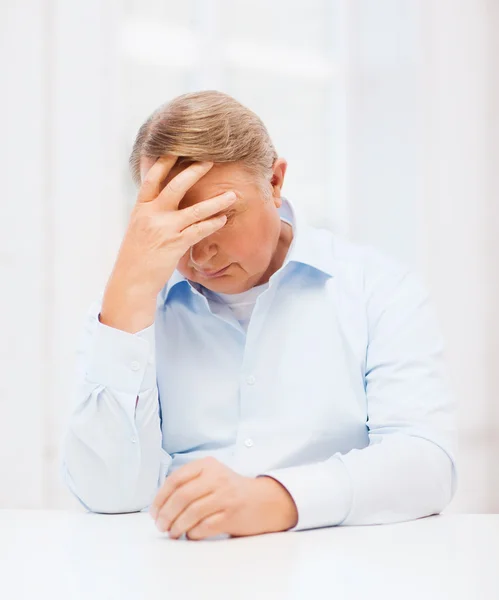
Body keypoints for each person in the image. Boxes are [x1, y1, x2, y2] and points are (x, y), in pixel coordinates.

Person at [61, 90, 457, 540]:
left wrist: (276, 499)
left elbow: (427, 464)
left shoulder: (378, 289)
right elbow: (106, 495)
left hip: (340, 569)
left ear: (274, 182)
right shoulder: (126, 310)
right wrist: (128, 295)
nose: (200, 249)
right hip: (179, 570)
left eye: (221, 215)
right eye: (178, 221)